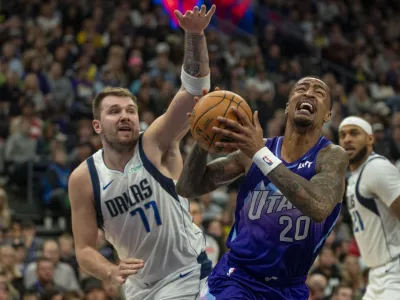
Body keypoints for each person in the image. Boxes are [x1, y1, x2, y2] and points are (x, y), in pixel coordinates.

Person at [68, 5, 216, 300]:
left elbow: (195, 93)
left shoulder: (154, 142)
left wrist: (195, 36)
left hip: (186, 274)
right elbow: (84, 249)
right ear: (97, 125)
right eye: (114, 112)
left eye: (130, 110)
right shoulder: (83, 178)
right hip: (139, 288)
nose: (125, 116)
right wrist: (109, 271)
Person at [176, 77, 349, 299]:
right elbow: (188, 188)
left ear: (327, 115)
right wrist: (202, 142)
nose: (309, 93)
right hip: (237, 277)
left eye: (319, 92)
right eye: (301, 89)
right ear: (288, 106)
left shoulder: (331, 157)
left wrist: (260, 154)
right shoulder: (256, 151)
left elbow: (318, 207)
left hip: (288, 288)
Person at [338, 116, 400, 300]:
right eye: (342, 135)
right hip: (377, 275)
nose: (347, 139)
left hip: (394, 271)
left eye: (354, 133)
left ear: (370, 139)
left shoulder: (377, 168)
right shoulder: (354, 176)